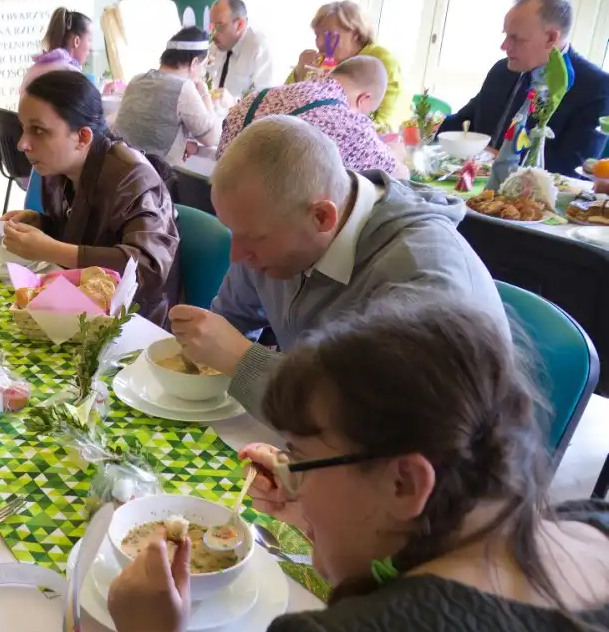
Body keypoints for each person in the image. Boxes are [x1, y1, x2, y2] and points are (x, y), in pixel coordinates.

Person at [106, 300, 609, 632]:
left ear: (404, 483)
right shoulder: (592, 523)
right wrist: (323, 517)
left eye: (302, 460)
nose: (294, 482)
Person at [169, 116, 506, 419]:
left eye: (253, 237)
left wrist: (243, 362)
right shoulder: (271, 227)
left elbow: (375, 422)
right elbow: (230, 323)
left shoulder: (424, 281)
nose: (237, 255)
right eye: (234, 232)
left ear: (321, 217)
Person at [0, 71, 180, 325]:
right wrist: (41, 223)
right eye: (23, 128)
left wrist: (50, 249)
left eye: (38, 130)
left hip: (132, 322)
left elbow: (145, 269)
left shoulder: (134, 177)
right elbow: (82, 233)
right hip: (76, 306)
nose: (22, 144)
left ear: (83, 137)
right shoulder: (58, 169)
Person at [440, 0, 609, 177]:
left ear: (551, 38)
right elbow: (463, 124)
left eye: (516, 38)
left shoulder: (596, 87)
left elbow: (570, 168)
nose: (504, 46)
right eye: (506, 35)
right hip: (466, 183)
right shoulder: (502, 70)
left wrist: (494, 158)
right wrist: (425, 122)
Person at [218, 56, 408, 177]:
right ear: (364, 99)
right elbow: (398, 176)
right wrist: (395, 153)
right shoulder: (349, 125)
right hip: (271, 223)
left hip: (222, 213)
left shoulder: (258, 97)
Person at [286, 1, 405, 133]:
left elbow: (386, 125)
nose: (319, 43)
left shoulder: (381, 61)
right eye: (317, 35)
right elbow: (281, 105)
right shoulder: (321, 61)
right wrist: (298, 73)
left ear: (356, 34)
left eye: (329, 35)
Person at [113, 27, 219, 164]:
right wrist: (204, 92)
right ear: (194, 63)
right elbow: (211, 138)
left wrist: (183, 141)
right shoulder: (183, 88)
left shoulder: (136, 80)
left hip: (120, 167)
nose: (202, 72)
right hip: (153, 175)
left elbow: (153, 127)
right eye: (203, 65)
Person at [207, 0, 274, 109]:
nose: (213, 33)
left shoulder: (259, 48)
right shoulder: (217, 44)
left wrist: (234, 102)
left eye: (219, 26)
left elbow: (266, 103)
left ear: (240, 25)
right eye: (211, 26)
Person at [20, 7, 94, 92]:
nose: (91, 48)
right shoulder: (73, 76)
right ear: (76, 41)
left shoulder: (33, 70)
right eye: (89, 40)